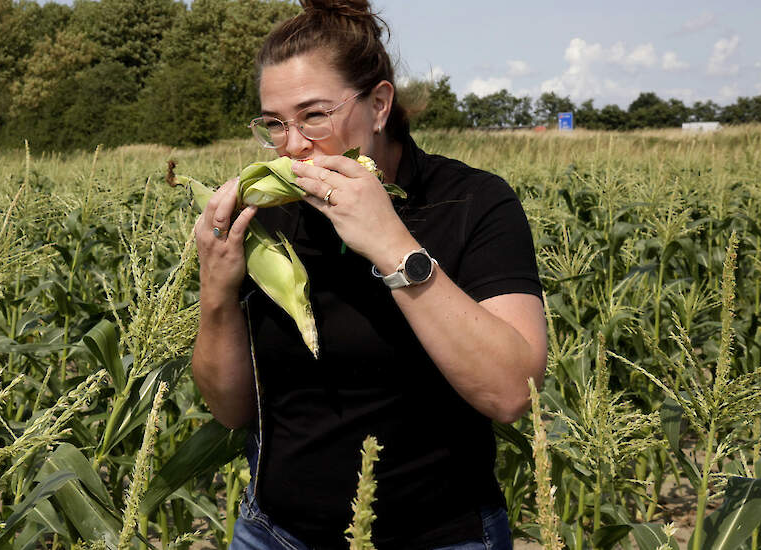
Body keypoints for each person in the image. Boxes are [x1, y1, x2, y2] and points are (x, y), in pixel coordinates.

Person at [191, 1, 547, 548]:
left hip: (441, 537)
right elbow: (232, 408)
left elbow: (511, 393)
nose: (292, 145)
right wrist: (215, 290)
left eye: (313, 116)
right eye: (274, 124)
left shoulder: (472, 202)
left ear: (379, 104)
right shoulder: (267, 218)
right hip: (275, 533)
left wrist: (391, 245)